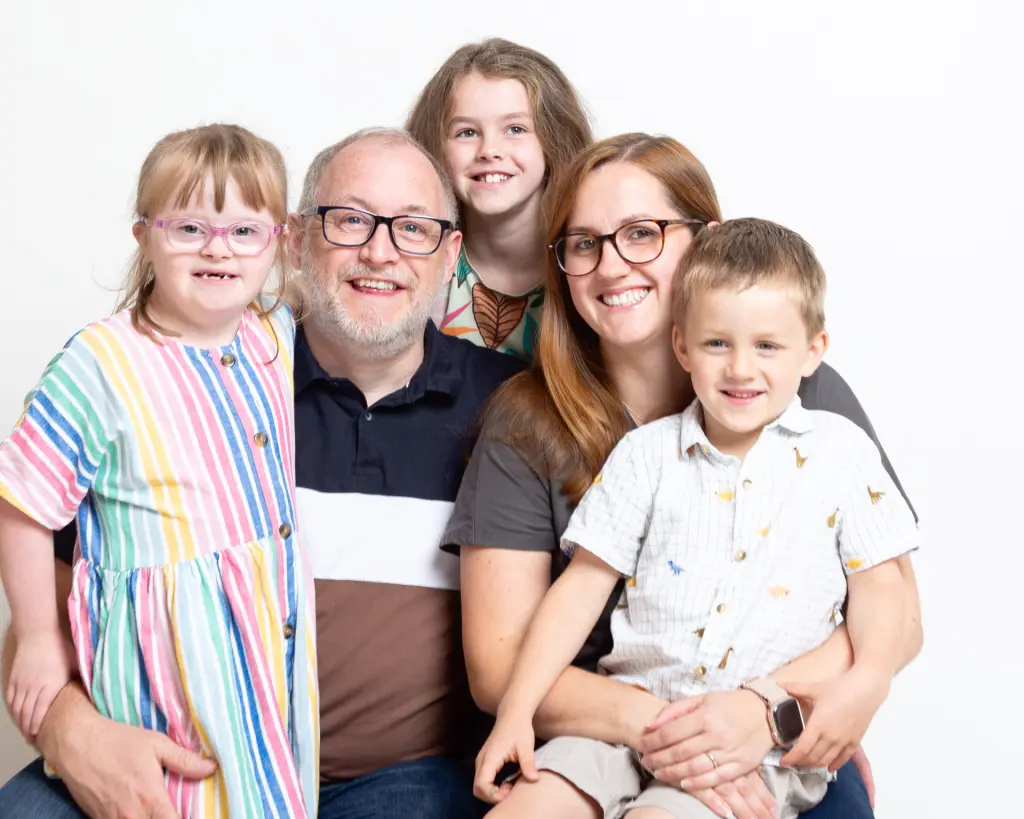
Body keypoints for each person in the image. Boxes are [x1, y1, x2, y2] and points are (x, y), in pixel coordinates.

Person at [0, 127, 525, 819]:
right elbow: (56, 580)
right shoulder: (214, 370)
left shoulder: (506, 406)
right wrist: (73, 731)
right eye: (350, 220)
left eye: (415, 228)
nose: (380, 250)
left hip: (395, 781)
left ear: (451, 252)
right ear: (299, 239)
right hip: (166, 755)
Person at [443, 133, 923, 819]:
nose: (612, 264)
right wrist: (678, 732)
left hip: (767, 735)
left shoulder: (810, 406)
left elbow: (899, 615)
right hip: (600, 723)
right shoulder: (577, 437)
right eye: (584, 243)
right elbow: (505, 661)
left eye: (642, 232)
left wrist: (765, 709)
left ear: (706, 242)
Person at [0, 123, 318, 818]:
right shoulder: (101, 362)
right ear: (144, 235)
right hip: (161, 660)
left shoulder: (275, 331)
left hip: (264, 643)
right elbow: (22, 502)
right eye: (189, 228)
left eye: (244, 231)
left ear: (281, 241)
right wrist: (34, 635)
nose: (216, 249)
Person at [406, 37, 593, 360]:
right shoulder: (416, 260)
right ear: (435, 148)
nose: (490, 151)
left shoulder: (589, 262)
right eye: (467, 132)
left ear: (553, 139)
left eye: (515, 129)